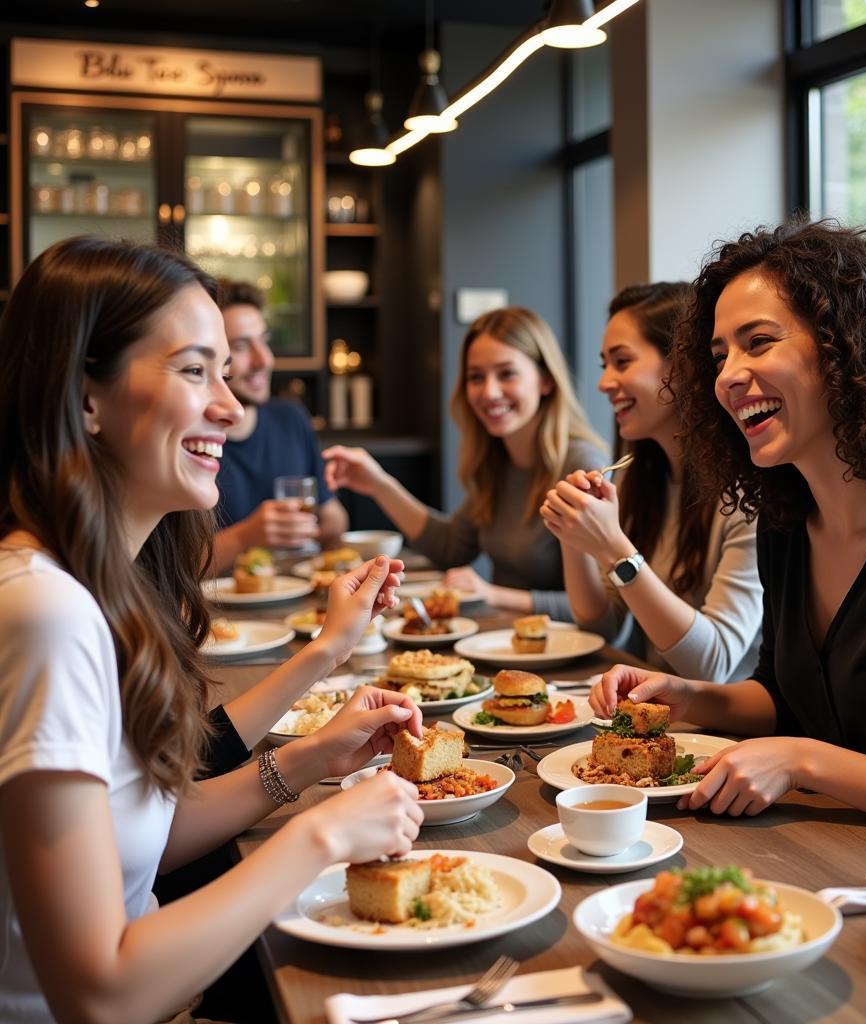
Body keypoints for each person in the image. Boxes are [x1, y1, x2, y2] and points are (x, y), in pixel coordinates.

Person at [0, 236, 424, 1024]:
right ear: (85, 397)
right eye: (196, 370)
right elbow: (98, 995)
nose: (230, 407)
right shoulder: (45, 613)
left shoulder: (92, 589)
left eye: (225, 372)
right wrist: (321, 838)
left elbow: (139, 840)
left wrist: (305, 760)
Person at [592, 220, 866, 859]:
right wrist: (689, 699)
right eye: (718, 357)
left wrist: (805, 763)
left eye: (758, 342)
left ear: (850, 347)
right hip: (833, 856)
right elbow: (786, 698)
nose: (729, 377)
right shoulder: (788, 519)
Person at [539, 282, 762, 681]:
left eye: (622, 362)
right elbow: (600, 630)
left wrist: (613, 548)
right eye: (604, 365)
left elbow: (714, 664)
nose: (604, 383)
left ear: (682, 367)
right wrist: (574, 538)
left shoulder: (748, 493)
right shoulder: (640, 482)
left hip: (728, 735)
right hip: (654, 717)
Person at [323, 306, 607, 617]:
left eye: (507, 373)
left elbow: (602, 613)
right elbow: (451, 547)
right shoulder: (498, 462)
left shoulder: (583, 466)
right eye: (476, 377)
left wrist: (491, 594)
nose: (489, 391)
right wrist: (378, 484)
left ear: (546, 381)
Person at [211, 279, 348, 574]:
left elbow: (334, 516)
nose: (266, 359)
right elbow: (169, 569)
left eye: (264, 340)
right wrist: (245, 537)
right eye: (241, 346)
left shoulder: (291, 418)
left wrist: (311, 526)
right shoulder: (192, 441)